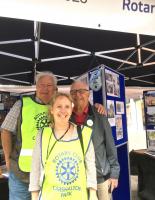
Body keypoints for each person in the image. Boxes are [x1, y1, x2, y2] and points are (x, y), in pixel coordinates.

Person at [29, 92, 98, 200]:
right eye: (59, 106)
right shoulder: (43, 134)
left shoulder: (84, 133)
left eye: (67, 106)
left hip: (79, 196)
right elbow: (35, 167)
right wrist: (34, 196)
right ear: (51, 110)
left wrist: (93, 194)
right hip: (50, 196)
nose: (63, 110)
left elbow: (90, 165)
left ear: (71, 110)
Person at [0, 71, 58, 200]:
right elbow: (5, 130)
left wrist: (98, 107)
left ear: (55, 89)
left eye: (49, 85)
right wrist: (8, 160)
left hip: (49, 174)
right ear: (36, 87)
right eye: (42, 85)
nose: (45, 89)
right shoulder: (22, 104)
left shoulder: (60, 107)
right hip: (21, 173)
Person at [70, 80, 120, 200]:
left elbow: (110, 146)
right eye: (74, 92)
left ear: (88, 94)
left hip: (100, 177)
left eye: (81, 91)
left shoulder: (99, 115)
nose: (77, 95)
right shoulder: (66, 117)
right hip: (76, 178)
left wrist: (114, 174)